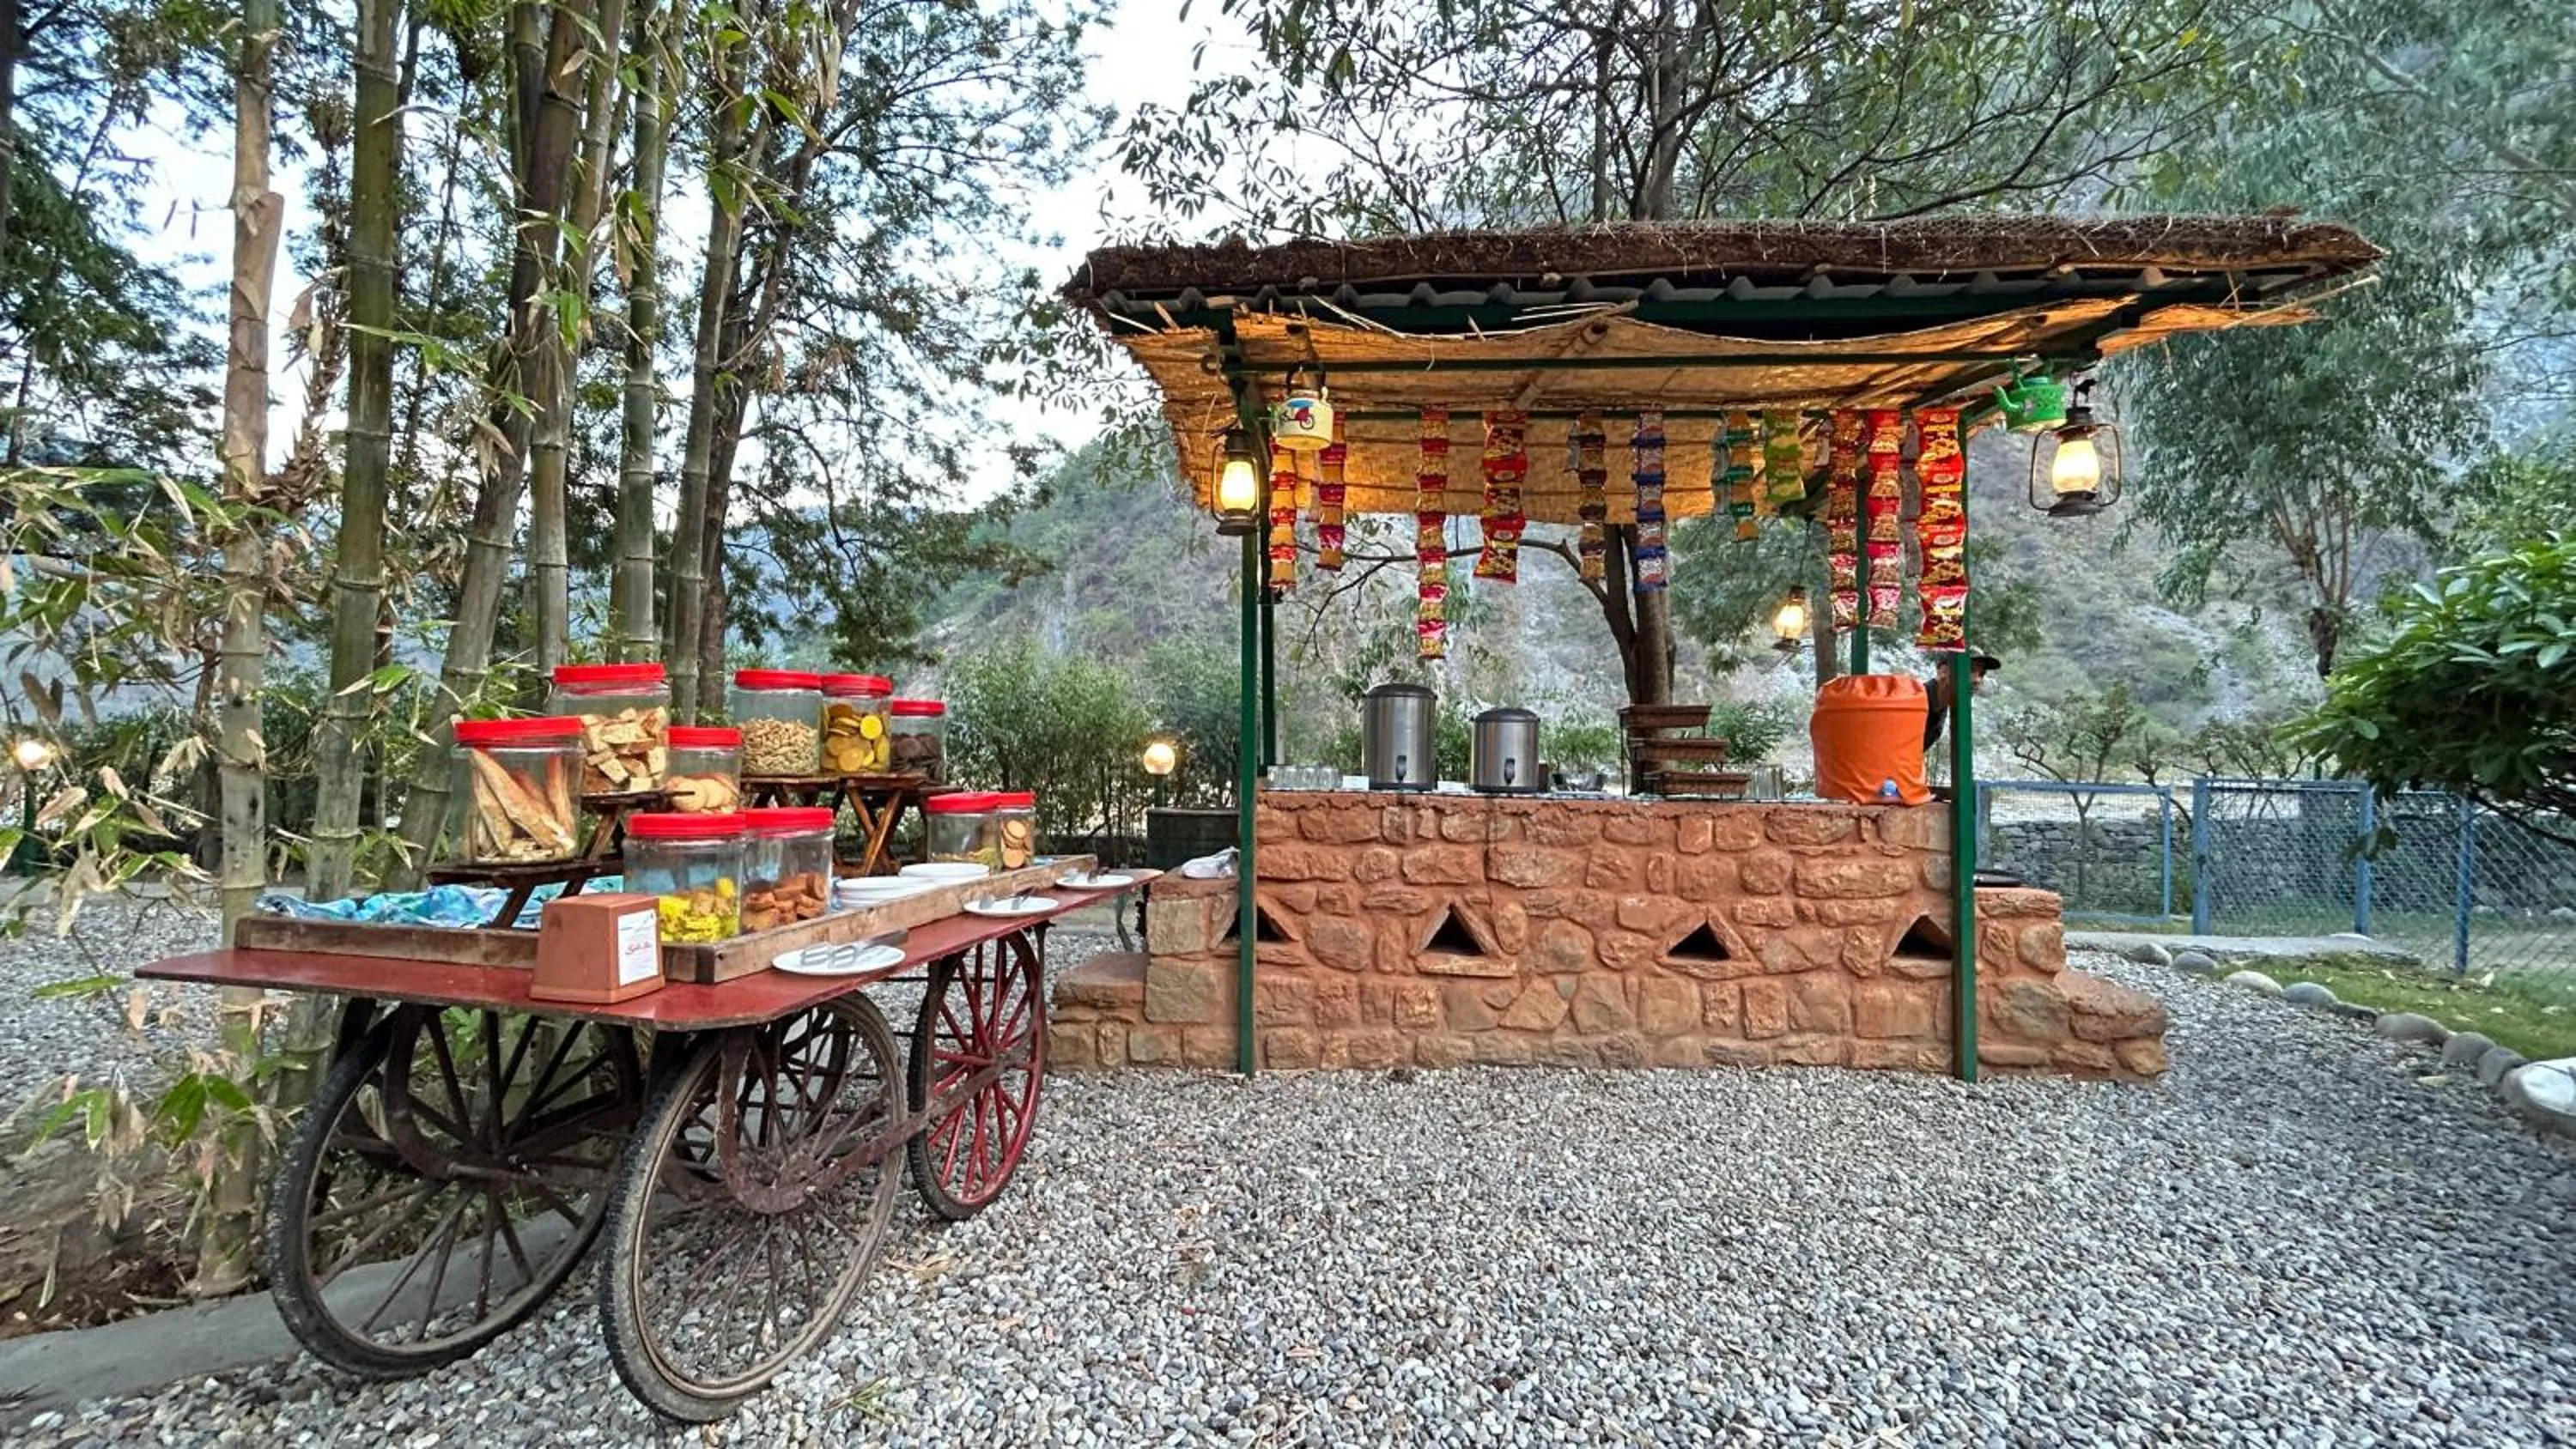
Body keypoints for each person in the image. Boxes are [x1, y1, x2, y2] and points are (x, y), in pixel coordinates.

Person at [1923, 652, 2000, 752]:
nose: (1977, 680)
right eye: (1970, 669)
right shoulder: (1914, 701)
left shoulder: (1941, 707)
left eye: (1981, 674)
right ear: (1944, 671)